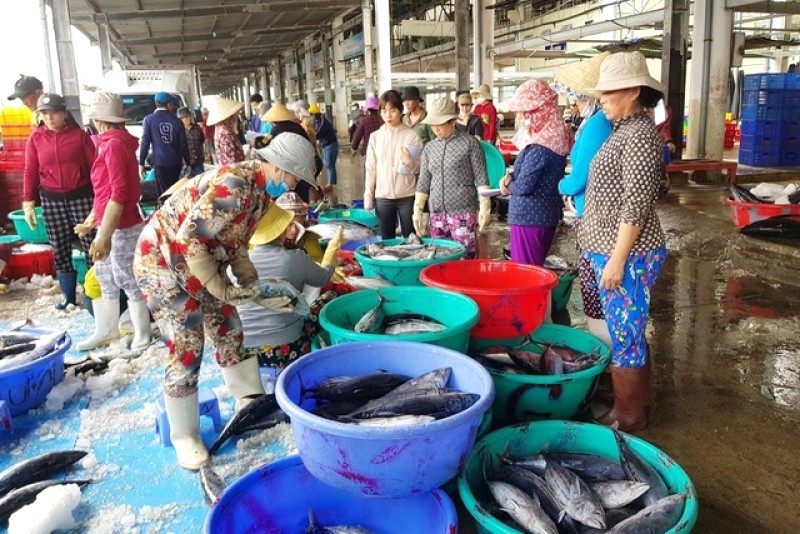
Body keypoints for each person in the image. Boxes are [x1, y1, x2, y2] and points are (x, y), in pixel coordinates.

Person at [133, 134, 311, 470]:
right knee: (188, 341)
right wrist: (217, 285)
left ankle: (249, 399)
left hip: (199, 261)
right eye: (293, 177)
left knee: (230, 326)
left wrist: (252, 286)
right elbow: (188, 238)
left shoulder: (259, 196)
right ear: (277, 166)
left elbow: (237, 244)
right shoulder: (236, 184)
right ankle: (184, 434)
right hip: (163, 260)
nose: (293, 185)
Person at [579, 52, 668, 432]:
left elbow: (637, 203)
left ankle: (629, 414)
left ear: (633, 91)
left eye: (609, 92)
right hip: (614, 250)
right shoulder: (626, 131)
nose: (602, 98)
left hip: (630, 254)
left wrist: (616, 260)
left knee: (625, 333)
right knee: (624, 329)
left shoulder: (641, 135)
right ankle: (632, 401)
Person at [74, 91, 152, 352]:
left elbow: (119, 194)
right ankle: (107, 330)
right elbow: (104, 194)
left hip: (123, 226)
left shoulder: (114, 145)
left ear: (97, 119)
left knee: (127, 278)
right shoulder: (109, 143)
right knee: (105, 276)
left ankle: (142, 332)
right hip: (109, 223)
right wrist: (92, 223)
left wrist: (103, 236)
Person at [238, 203, 344, 369]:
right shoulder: (294, 257)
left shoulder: (237, 262)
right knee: (331, 296)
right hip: (287, 348)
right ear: (280, 231)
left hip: (244, 352)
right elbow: (322, 279)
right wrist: (332, 250)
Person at [555, 53, 614, 347]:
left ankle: (603, 351)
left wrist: (562, 186)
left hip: (592, 216)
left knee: (594, 288)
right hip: (596, 212)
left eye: (575, 97)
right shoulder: (601, 121)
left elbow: (582, 175)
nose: (572, 101)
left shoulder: (597, 124)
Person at [22, 93, 96, 310]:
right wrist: (27, 201)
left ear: (64, 114)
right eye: (44, 113)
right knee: (59, 246)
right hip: (51, 199)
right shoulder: (35, 139)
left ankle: (94, 292)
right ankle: (69, 297)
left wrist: (100, 199)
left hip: (81, 197)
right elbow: (30, 170)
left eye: (54, 112)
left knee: (91, 244)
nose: (50, 117)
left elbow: (95, 168)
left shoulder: (80, 137)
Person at [499, 80, 568, 267]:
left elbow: (524, 187)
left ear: (537, 111)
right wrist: (512, 176)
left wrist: (507, 186)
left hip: (529, 218)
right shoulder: (555, 139)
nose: (522, 116)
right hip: (546, 215)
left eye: (525, 111)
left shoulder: (540, 147)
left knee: (525, 274)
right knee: (535, 270)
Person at [414, 97, 490, 259]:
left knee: (464, 257)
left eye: (439, 124)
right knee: (438, 258)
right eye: (432, 124)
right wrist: (418, 208)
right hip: (437, 214)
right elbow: (424, 180)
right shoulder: (429, 148)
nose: (435, 128)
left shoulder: (470, 144)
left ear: (452, 121)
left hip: (462, 213)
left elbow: (481, 176)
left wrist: (485, 206)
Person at [365, 90, 423, 239]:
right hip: (383, 196)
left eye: (393, 110)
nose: (388, 115)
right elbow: (371, 168)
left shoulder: (412, 136)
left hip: (407, 195)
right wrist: (369, 195)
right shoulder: (375, 137)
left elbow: (421, 167)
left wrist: (410, 163)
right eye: (384, 111)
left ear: (400, 110)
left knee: (411, 238)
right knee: (386, 240)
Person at [139, 92, 189, 196]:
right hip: (176, 163)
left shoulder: (148, 120)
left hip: (160, 163)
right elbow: (183, 145)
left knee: (163, 194)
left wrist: (141, 163)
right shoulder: (177, 121)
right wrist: (188, 163)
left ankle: (165, 210)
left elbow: (145, 143)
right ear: (169, 104)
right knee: (175, 191)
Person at [275, 192, 324, 264]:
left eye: (299, 225)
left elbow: (318, 259)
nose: (294, 230)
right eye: (289, 225)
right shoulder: (270, 238)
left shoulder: (307, 235)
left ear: (303, 219)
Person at [207, 97, 246, 166]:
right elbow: (231, 161)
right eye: (235, 115)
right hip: (233, 171)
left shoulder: (220, 128)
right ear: (230, 117)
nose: (236, 118)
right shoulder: (225, 134)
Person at [351, 96, 383, 176]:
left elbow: (357, 135)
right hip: (382, 151)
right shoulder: (383, 119)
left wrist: (354, 148)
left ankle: (369, 188)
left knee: (369, 174)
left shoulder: (365, 120)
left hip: (368, 151)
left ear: (368, 109)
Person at [310, 103, 339, 189]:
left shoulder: (323, 122)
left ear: (316, 114)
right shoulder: (317, 121)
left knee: (329, 164)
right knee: (329, 164)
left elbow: (317, 133)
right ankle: (331, 183)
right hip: (326, 145)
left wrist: (310, 137)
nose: (311, 116)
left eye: (311, 114)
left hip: (330, 144)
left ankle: (330, 184)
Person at [178, 107, 205, 177]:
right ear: (181, 119)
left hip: (198, 161)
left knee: (200, 182)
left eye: (189, 116)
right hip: (185, 164)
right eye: (186, 117)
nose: (189, 118)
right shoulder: (178, 131)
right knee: (186, 184)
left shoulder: (197, 128)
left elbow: (202, 140)